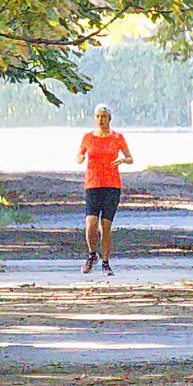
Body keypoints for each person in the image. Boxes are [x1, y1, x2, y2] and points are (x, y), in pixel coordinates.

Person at [76, 104, 133, 275]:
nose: (101, 120)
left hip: (112, 185)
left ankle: (106, 263)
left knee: (105, 225)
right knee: (91, 224)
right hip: (93, 184)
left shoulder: (117, 137)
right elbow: (79, 154)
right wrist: (80, 157)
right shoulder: (88, 137)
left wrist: (122, 161)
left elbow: (130, 158)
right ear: (95, 119)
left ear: (109, 118)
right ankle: (92, 254)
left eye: (104, 116)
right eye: (98, 117)